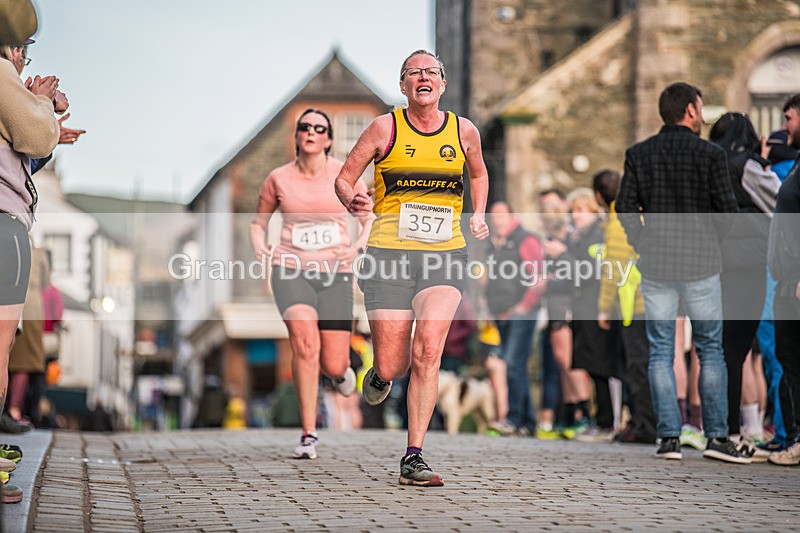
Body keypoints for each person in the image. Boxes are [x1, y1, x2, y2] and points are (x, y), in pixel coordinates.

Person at [334, 49, 489, 486]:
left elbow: (478, 174)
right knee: (395, 362)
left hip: (445, 254)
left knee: (428, 350)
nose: (423, 77)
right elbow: (345, 178)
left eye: (431, 72)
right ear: (403, 87)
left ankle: (414, 456)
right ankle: (381, 373)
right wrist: (352, 198)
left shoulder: (464, 131)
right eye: (413, 73)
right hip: (389, 255)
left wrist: (478, 213)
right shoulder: (385, 128)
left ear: (442, 84)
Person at [616, 82, 751, 463]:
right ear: (690, 111)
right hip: (702, 263)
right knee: (711, 351)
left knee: (660, 350)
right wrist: (710, 241)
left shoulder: (639, 153)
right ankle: (718, 437)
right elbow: (728, 211)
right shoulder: (710, 154)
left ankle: (669, 438)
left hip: (656, 263)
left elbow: (625, 206)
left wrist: (642, 242)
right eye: (701, 108)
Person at [250, 108, 371, 460]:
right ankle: (308, 434)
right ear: (297, 136)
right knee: (304, 343)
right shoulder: (278, 179)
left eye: (320, 128)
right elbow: (258, 223)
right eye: (305, 127)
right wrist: (260, 246)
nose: (311, 132)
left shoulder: (344, 176)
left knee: (333, 364)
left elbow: (367, 218)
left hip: (335, 272)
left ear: (329, 139)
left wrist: (357, 247)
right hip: (290, 269)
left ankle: (341, 371)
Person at [0, 37, 60, 504]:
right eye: (21, 48)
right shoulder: (3, 75)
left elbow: (23, 155)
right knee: (0, 350)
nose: (22, 58)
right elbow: (34, 137)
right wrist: (43, 103)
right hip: (4, 220)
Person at [708, 112, 777, 457]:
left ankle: (719, 428)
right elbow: (780, 203)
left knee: (717, 349)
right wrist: (763, 164)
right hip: (747, 265)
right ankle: (732, 432)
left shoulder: (708, 164)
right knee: (738, 350)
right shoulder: (745, 165)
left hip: (711, 264)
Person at [593, 169, 656, 444]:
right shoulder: (634, 211)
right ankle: (642, 420)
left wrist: (604, 306)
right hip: (648, 297)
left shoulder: (617, 219)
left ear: (598, 196)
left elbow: (613, 267)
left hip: (634, 303)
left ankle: (646, 424)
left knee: (638, 364)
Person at [485, 201, 543, 436]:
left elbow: (537, 278)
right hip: (501, 314)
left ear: (512, 217)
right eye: (493, 218)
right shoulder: (493, 244)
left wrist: (522, 306)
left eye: (501, 217)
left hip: (522, 313)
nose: (497, 222)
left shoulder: (525, 239)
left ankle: (513, 418)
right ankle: (527, 423)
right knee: (516, 366)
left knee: (511, 364)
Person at [767, 93, 800, 466]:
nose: (784, 126)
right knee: (789, 357)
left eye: (789, 118)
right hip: (787, 277)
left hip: (796, 278)